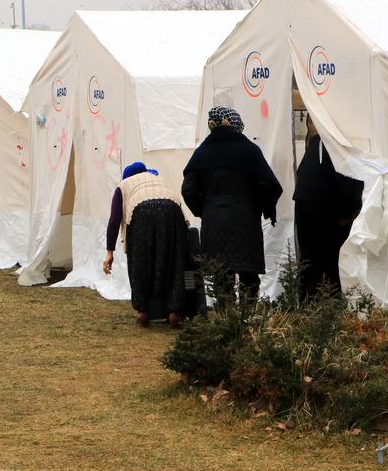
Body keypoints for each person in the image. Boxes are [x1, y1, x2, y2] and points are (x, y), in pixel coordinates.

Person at [181, 107, 282, 303]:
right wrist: (262, 206)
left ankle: (225, 321)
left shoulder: (201, 153)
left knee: (221, 276)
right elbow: (269, 184)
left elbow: (188, 190)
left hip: (214, 222)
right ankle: (246, 320)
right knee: (249, 276)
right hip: (246, 223)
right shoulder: (250, 151)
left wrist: (204, 210)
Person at [102, 162, 189, 328]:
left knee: (140, 262)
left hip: (141, 212)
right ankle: (174, 311)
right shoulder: (157, 180)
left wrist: (109, 252)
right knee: (174, 261)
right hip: (172, 209)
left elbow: (114, 220)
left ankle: (143, 312)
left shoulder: (123, 185)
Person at [293, 128, 363, 299]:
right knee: (332, 257)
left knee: (309, 257)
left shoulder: (317, 141)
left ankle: (308, 299)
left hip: (305, 203)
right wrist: (349, 213)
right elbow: (347, 178)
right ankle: (332, 299)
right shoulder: (340, 144)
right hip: (324, 206)